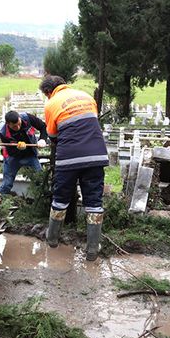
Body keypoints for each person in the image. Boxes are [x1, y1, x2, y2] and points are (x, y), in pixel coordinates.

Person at [40, 75, 109, 261]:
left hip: (68, 158)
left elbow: (53, 135)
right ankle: (93, 248)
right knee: (94, 201)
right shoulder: (86, 96)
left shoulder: (51, 103)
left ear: (48, 92)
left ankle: (52, 239)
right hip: (96, 155)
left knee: (61, 197)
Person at [0, 110, 48, 195]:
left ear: (19, 118)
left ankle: (43, 197)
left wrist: (42, 139)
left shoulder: (27, 118)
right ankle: (1, 200)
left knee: (40, 180)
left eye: (19, 124)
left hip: (30, 155)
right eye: (14, 126)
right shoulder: (3, 132)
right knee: (7, 184)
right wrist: (19, 149)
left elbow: (43, 126)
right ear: (8, 124)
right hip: (12, 158)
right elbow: (11, 151)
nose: (18, 127)